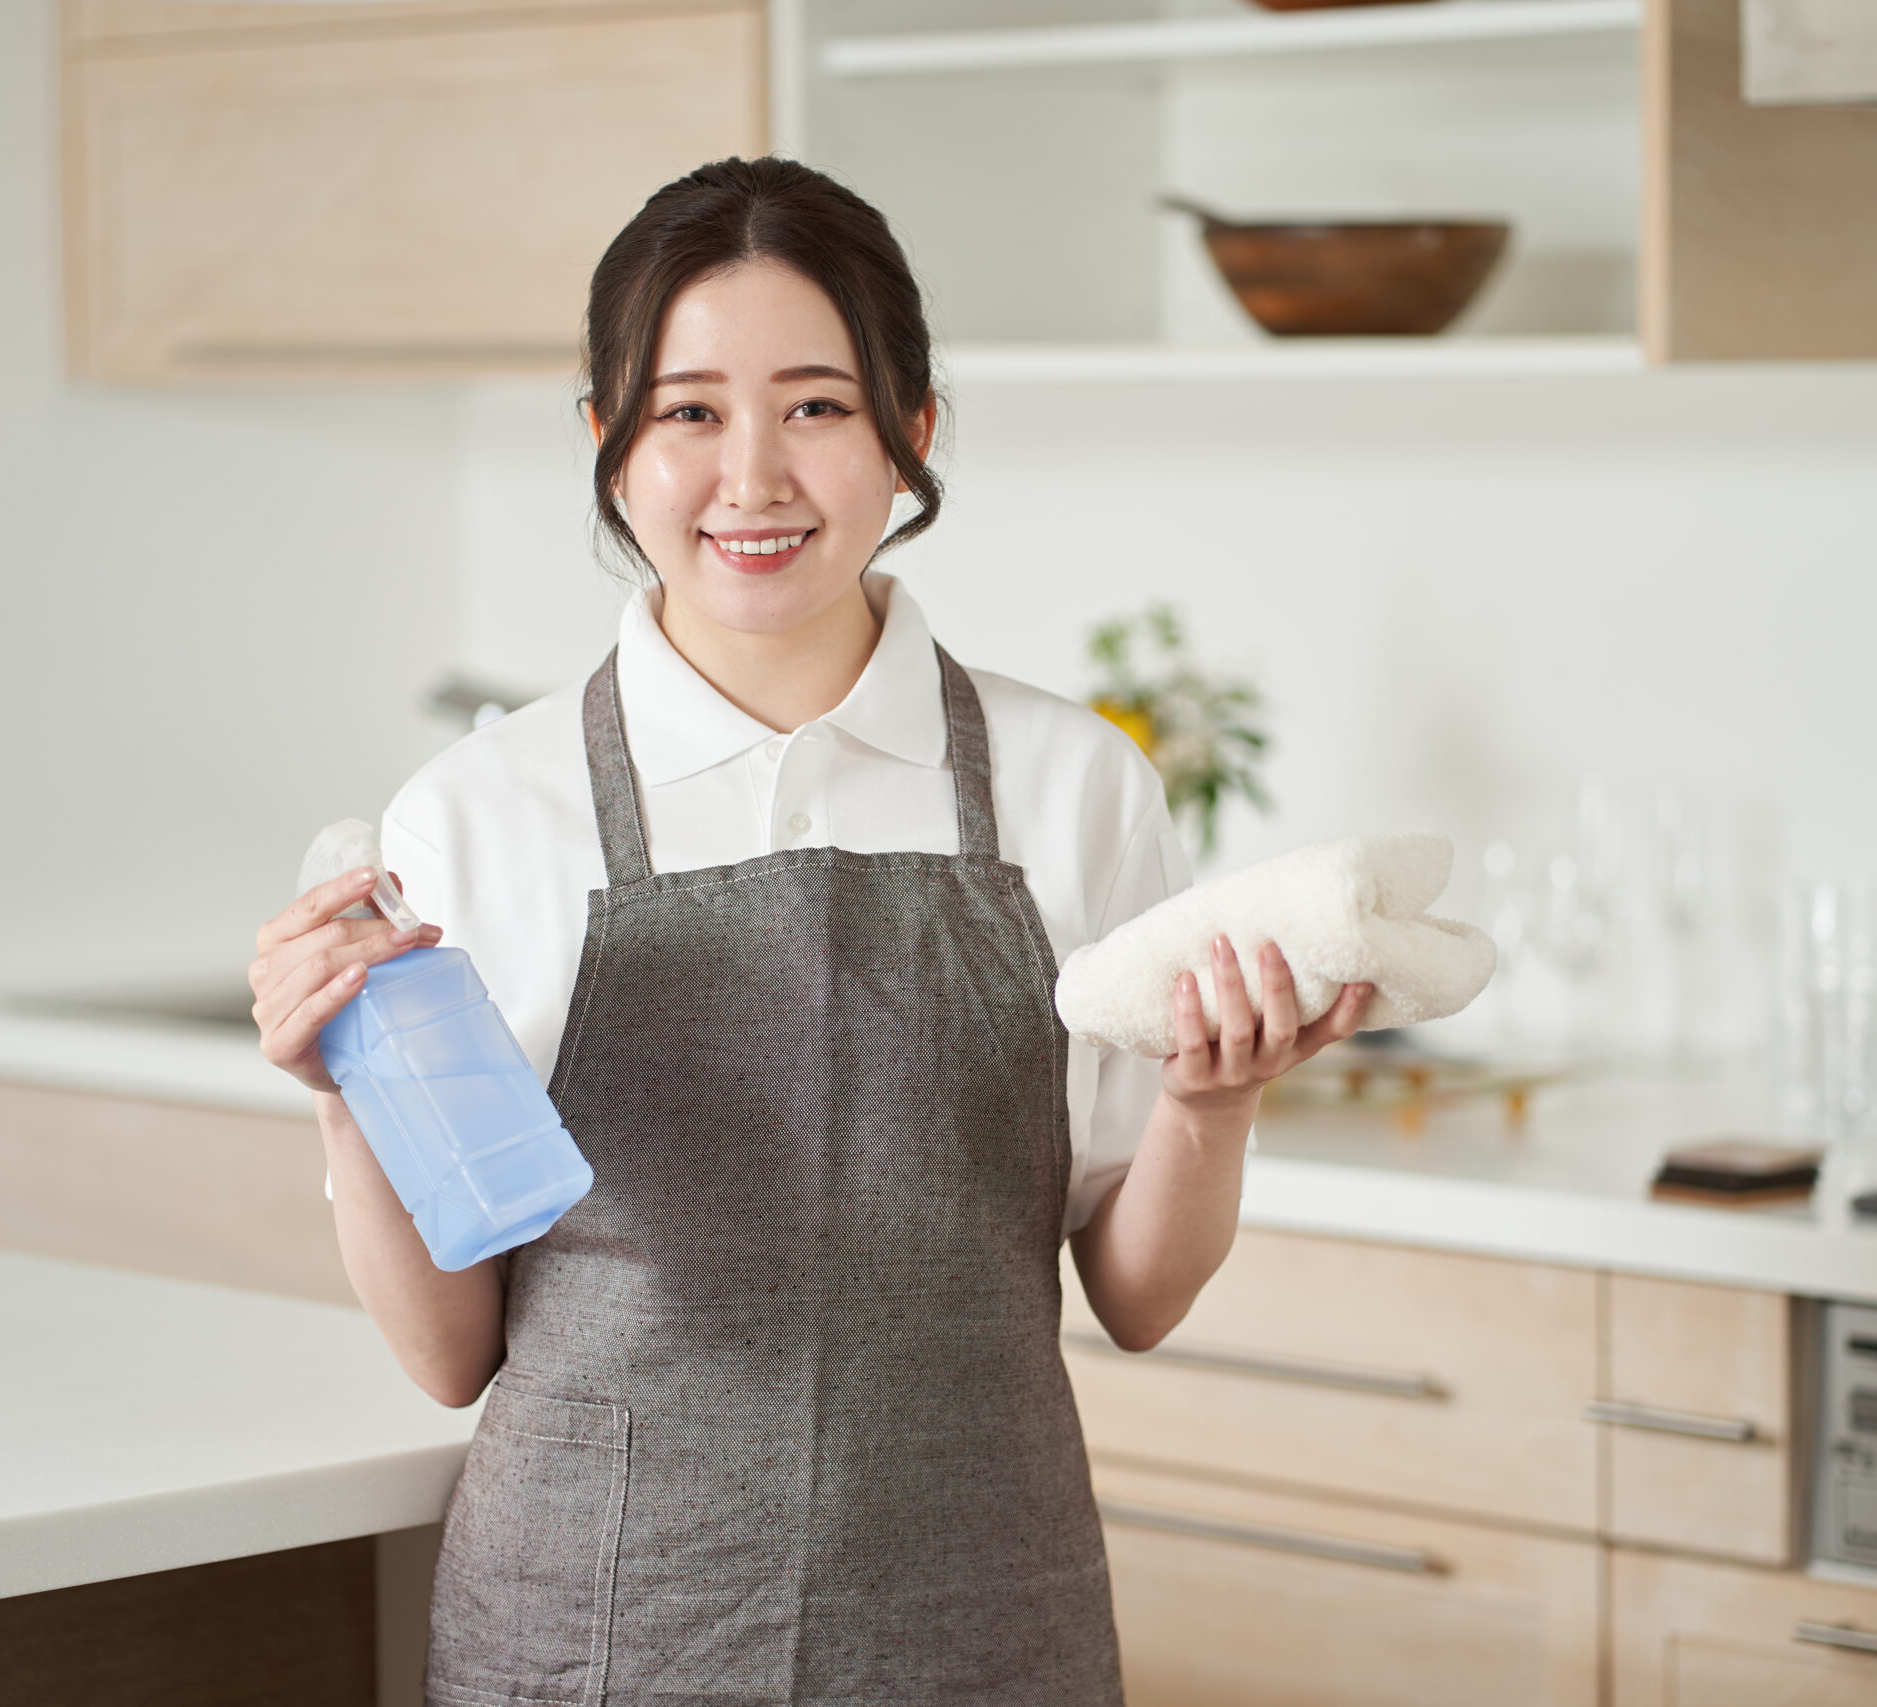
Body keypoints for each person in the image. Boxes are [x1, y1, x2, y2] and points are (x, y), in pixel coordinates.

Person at [247, 157, 1372, 1707]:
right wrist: (338, 1094)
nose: (753, 478)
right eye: (689, 410)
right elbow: (452, 1353)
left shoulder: (1072, 787)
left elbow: (1138, 1293)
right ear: (607, 445)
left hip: (980, 1618)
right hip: (596, 1630)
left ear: (915, 432)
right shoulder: (478, 813)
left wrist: (1212, 1101)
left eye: (819, 408)